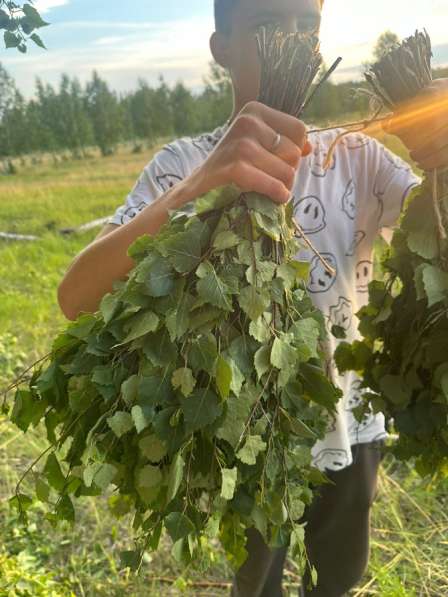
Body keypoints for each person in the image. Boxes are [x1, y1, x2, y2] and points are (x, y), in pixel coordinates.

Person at [57, 0, 448, 595]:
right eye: (266, 23)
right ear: (221, 49)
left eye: (307, 26)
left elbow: (435, 241)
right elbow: (76, 297)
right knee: (257, 577)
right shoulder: (183, 165)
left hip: (351, 421)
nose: (291, 41)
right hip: (245, 437)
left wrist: (441, 159)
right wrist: (198, 186)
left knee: (340, 572)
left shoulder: (360, 160)